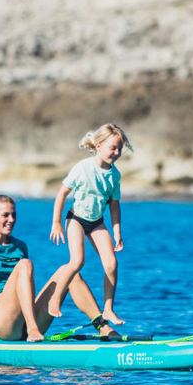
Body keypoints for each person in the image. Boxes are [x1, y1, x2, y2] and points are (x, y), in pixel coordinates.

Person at [0, 195, 116, 354]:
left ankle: (102, 326)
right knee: (25, 264)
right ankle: (32, 328)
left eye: (14, 215)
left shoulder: (20, 246)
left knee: (69, 273)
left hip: (30, 315)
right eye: (5, 215)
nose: (11, 220)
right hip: (3, 323)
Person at [49, 123, 133, 325]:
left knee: (112, 264)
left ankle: (108, 310)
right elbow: (62, 193)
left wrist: (117, 232)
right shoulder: (82, 168)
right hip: (76, 219)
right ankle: (54, 299)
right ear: (99, 146)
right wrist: (56, 223)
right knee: (77, 261)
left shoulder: (115, 175)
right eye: (113, 147)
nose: (116, 152)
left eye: (119, 149)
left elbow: (114, 205)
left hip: (96, 223)